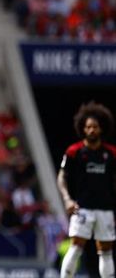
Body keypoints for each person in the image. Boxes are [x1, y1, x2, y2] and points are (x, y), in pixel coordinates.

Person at [57, 102, 116, 278]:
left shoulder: (111, 153)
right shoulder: (74, 151)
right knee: (76, 247)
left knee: (106, 251)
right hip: (82, 208)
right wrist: (67, 199)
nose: (91, 130)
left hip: (105, 209)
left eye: (95, 127)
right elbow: (62, 177)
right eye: (88, 127)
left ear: (101, 128)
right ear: (82, 128)